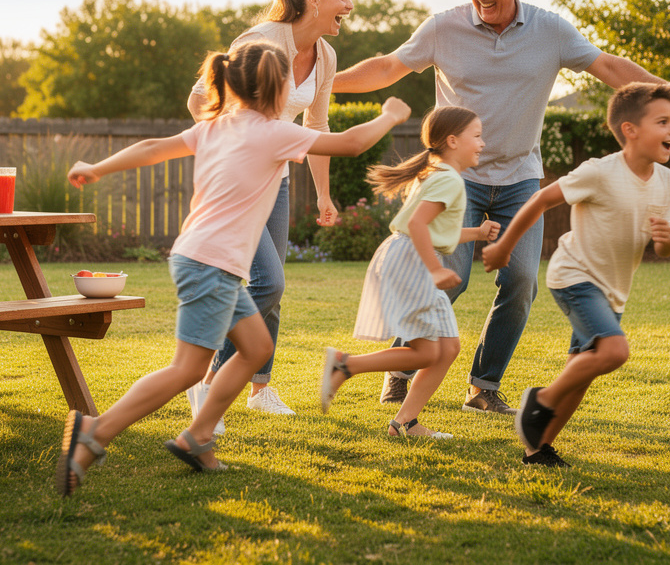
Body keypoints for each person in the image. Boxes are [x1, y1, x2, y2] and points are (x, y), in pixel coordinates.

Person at [333, 0, 670, 416]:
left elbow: (606, 66)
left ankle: (483, 386)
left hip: (520, 176)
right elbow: (387, 68)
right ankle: (400, 372)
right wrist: (322, 83)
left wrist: (662, 88)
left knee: (521, 281)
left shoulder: (550, 30)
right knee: (449, 278)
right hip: (456, 178)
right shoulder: (444, 27)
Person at [55, 41, 409, 495]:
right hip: (212, 262)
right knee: (187, 368)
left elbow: (150, 148)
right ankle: (95, 432)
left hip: (199, 256)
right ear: (280, 88)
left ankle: (198, 437)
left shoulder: (215, 126)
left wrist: (97, 167)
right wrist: (391, 115)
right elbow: (352, 143)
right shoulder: (275, 131)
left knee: (256, 346)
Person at [184, 0, 353, 421]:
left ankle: (260, 388)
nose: (349, 6)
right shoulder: (260, 39)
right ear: (314, 0)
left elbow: (317, 127)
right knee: (268, 281)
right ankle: (207, 380)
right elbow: (200, 98)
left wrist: (323, 194)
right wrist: (236, 134)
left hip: (276, 182)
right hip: (237, 182)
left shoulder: (326, 56)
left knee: (272, 286)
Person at [482, 83, 670, 466]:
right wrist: (506, 246)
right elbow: (541, 198)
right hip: (575, 276)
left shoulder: (666, 181)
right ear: (630, 129)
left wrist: (667, 239)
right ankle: (538, 401)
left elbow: (666, 247)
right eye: (662, 121)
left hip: (613, 290)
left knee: (581, 373)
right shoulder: (600, 172)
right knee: (613, 350)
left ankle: (537, 450)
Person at [319, 107, 500, 438]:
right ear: (453, 140)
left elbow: (432, 229)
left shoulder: (439, 174)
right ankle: (347, 366)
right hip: (414, 262)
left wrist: (475, 233)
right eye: (477, 136)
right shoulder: (448, 179)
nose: (482, 144)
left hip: (407, 256)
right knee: (432, 350)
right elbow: (417, 225)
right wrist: (435, 271)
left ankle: (404, 422)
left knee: (442, 349)